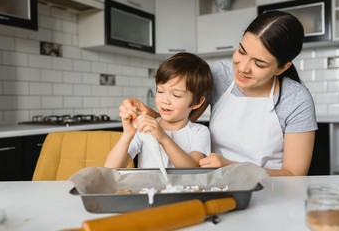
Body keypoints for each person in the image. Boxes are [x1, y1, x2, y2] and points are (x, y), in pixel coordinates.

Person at [118, 11, 318, 176]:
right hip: (215, 181)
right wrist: (147, 114)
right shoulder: (219, 75)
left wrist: (232, 167)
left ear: (282, 68)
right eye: (241, 51)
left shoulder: (296, 99)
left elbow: (294, 174)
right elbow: (181, 121)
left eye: (259, 63)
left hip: (270, 188)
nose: (243, 68)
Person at [104, 52, 214, 169]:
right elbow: (110, 168)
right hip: (147, 187)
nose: (165, 100)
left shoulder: (200, 132)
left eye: (176, 95)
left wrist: (163, 138)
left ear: (197, 102)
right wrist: (127, 134)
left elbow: (193, 169)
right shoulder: (144, 128)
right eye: (160, 91)